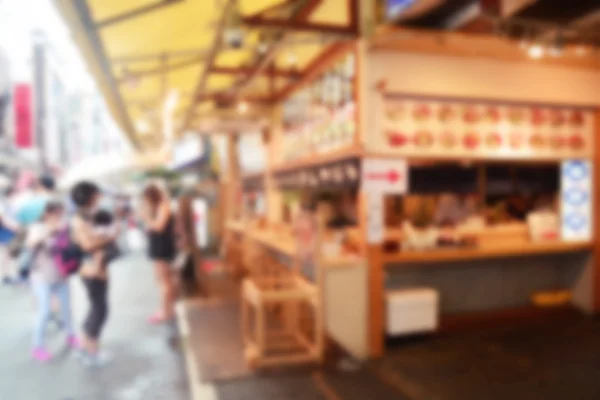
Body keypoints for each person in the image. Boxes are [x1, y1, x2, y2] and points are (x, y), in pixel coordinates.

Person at [70, 181, 118, 366]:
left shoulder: (85, 216)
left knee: (97, 307)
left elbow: (92, 238)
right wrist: (110, 236)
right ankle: (92, 352)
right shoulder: (79, 219)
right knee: (100, 309)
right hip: (91, 270)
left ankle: (85, 347)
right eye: (97, 195)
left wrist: (102, 235)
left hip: (94, 268)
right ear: (90, 197)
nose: (99, 198)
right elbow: (87, 244)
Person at [29, 202, 78, 362]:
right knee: (45, 312)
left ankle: (71, 335)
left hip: (61, 275)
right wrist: (49, 232)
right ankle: (38, 347)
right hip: (42, 276)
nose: (58, 216)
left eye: (60, 213)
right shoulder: (38, 228)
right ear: (46, 214)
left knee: (66, 308)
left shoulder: (64, 228)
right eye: (55, 213)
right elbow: (30, 243)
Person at [142, 184, 176, 324]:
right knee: (162, 280)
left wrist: (146, 219)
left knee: (164, 282)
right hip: (158, 246)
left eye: (146, 199)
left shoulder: (163, 206)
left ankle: (165, 312)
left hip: (162, 247)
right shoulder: (159, 207)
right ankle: (168, 310)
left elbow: (159, 226)